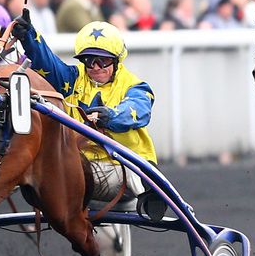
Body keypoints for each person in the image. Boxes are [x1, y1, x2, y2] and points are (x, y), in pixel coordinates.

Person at [10, 16, 155, 206]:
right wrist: (28, 35)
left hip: (123, 166)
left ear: (116, 60)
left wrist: (110, 116)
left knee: (65, 175)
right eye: (89, 60)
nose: (95, 67)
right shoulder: (73, 78)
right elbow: (48, 64)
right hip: (80, 164)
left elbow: (137, 110)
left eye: (103, 60)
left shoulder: (136, 87)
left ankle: (150, 191)